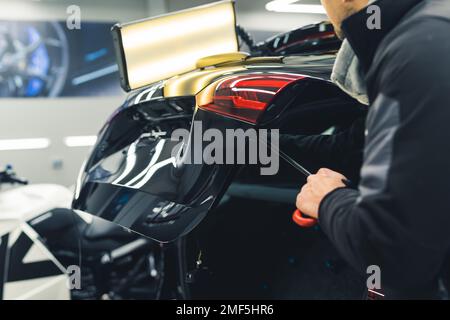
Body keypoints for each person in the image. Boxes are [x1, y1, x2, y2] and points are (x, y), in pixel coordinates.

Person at [294, 0, 450, 298]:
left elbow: (395, 257)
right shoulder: (430, 27)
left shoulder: (416, 50)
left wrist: (329, 201)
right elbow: (354, 147)